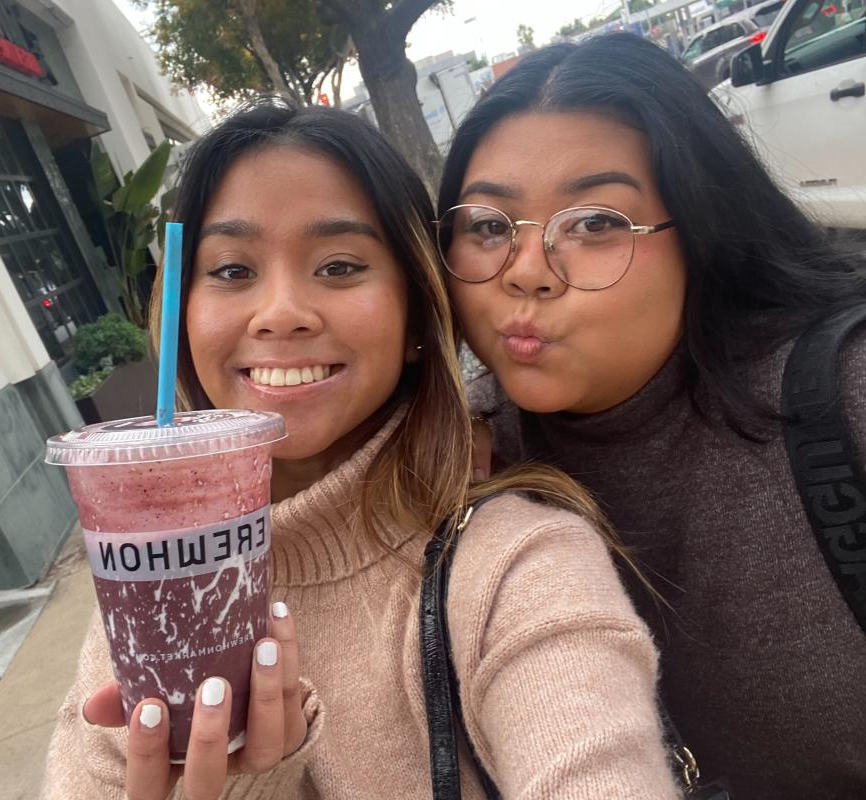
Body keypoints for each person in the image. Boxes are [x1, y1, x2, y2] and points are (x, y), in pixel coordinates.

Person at [41, 103, 680, 800]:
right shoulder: (143, 596)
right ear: (183, 314)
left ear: (414, 315)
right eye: (230, 271)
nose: (281, 311)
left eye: (340, 265)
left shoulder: (516, 569)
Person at [438, 33, 866, 800]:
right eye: (489, 226)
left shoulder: (842, 394)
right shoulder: (461, 463)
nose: (527, 271)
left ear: (700, 229)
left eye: (596, 223)